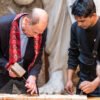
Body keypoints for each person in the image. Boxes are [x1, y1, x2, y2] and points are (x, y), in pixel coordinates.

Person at [0, 8, 48, 95]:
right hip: (2, 71)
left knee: (33, 96)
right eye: (35, 32)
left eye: (40, 33)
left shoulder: (40, 30)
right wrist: (7, 66)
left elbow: (38, 57)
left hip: (26, 73)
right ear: (26, 21)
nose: (37, 36)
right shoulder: (2, 25)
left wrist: (33, 76)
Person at [65, 0, 100, 97]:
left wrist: (95, 83)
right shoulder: (75, 28)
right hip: (84, 82)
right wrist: (69, 79)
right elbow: (73, 54)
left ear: (93, 16)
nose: (79, 24)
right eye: (77, 20)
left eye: (82, 21)